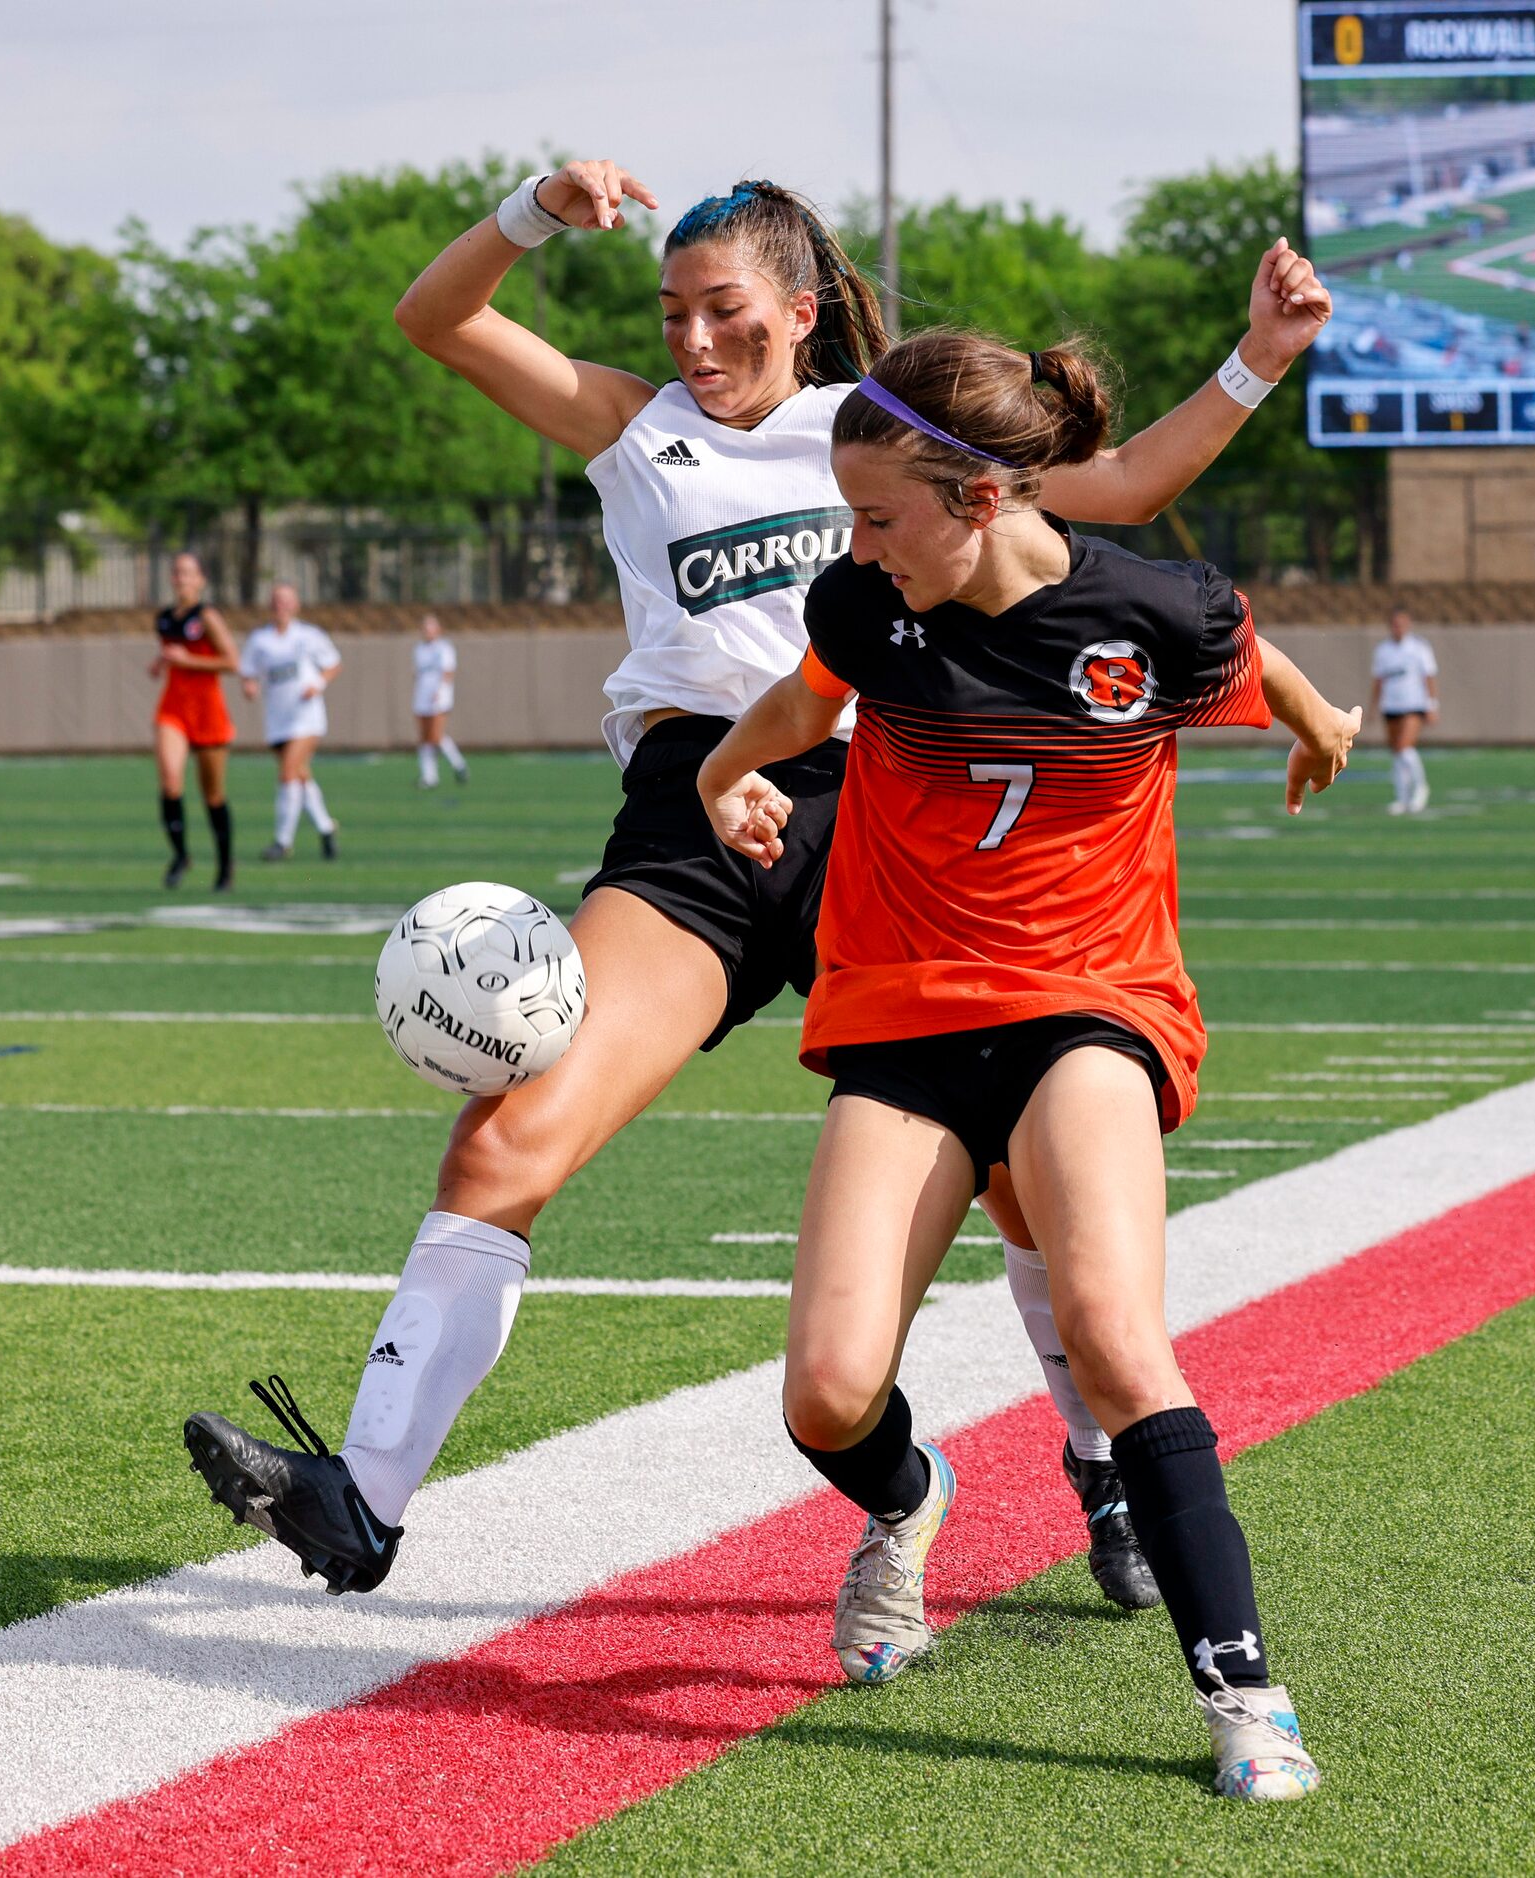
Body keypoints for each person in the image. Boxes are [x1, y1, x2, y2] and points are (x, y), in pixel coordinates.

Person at [181, 159, 1332, 1610]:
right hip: (694, 811)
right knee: (507, 1138)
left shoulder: (879, 437)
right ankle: (363, 1498)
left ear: (799, 308)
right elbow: (438, 316)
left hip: (895, 803)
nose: (692, 340)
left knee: (1020, 1179)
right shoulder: (631, 426)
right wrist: (534, 211)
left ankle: (1103, 1470)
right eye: (670, 312)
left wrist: (1258, 356)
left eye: (721, 310)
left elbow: (1134, 486)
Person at [695, 329, 1358, 1800]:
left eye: (879, 516)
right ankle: (915, 1493)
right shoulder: (867, 607)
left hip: (1091, 1005)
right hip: (903, 1017)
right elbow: (805, 705)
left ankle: (1247, 1694)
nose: (857, 546)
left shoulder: (1156, 613)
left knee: (1121, 1337)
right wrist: (716, 771)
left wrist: (1318, 723)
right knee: (823, 1391)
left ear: (982, 498)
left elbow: (1251, 656)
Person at [151, 551, 240, 890]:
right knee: (171, 782)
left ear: (200, 579)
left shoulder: (208, 617)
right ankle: (180, 855)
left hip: (207, 711)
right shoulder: (164, 618)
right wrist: (160, 664)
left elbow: (231, 662)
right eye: (176, 572)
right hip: (173, 708)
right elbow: (172, 656)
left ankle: (225, 866)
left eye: (188, 573)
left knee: (213, 796)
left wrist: (187, 660)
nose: (180, 578)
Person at [239, 583, 342, 861]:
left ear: (295, 605)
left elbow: (333, 664)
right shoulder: (260, 640)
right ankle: (326, 828)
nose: (280, 606)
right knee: (300, 776)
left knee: (287, 774)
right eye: (276, 600)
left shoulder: (309, 636)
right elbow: (248, 672)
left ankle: (282, 842)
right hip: (277, 719)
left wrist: (318, 683)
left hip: (306, 717)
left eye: (286, 601)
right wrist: (249, 686)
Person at [1370, 606, 1437, 815]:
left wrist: (1432, 704)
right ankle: (1402, 797)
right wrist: (1373, 706)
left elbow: (1429, 677)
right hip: (1391, 705)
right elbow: (1379, 680)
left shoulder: (1419, 648)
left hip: (1413, 704)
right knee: (1396, 752)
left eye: (1401, 623)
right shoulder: (1383, 650)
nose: (1398, 627)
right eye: (1394, 624)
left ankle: (1420, 787)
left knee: (1404, 746)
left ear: (1408, 624)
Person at [413, 612, 467, 789]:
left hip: (438, 696)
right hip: (422, 696)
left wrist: (440, 690)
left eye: (431, 628)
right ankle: (429, 776)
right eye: (425, 628)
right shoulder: (419, 649)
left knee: (436, 736)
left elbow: (448, 672)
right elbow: (418, 674)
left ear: (438, 630)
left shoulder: (444, 648)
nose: (427, 632)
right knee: (424, 737)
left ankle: (458, 764)